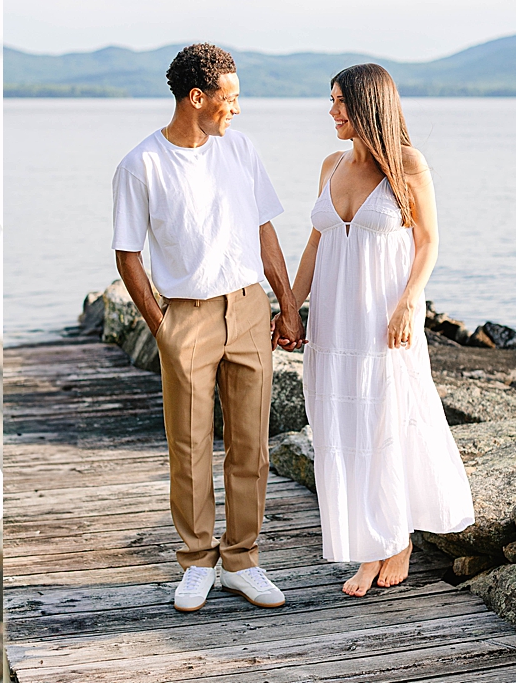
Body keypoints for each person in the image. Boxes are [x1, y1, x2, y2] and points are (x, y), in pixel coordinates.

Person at [111, 43, 304, 613]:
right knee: (189, 445)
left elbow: (266, 233)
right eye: (232, 98)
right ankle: (197, 561)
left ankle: (242, 560)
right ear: (198, 98)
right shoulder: (140, 164)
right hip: (186, 316)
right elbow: (128, 255)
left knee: (251, 444)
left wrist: (287, 305)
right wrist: (163, 326)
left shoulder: (241, 150)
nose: (238, 110)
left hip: (248, 309)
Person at [290, 63, 474, 597]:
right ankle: (370, 547)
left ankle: (395, 541)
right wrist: (290, 306)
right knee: (339, 429)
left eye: (339, 103)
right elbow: (315, 244)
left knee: (385, 424)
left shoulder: (408, 165)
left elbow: (428, 243)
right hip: (333, 322)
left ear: (367, 103)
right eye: (330, 102)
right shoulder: (330, 164)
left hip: (385, 319)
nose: (331, 112)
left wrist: (408, 302)